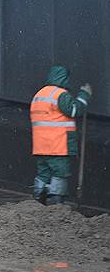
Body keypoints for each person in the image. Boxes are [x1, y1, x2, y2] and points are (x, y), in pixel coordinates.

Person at [30, 65, 91, 205]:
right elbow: (75, 110)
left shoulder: (39, 95)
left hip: (41, 146)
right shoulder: (59, 94)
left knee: (44, 173)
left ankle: (38, 199)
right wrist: (84, 95)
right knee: (60, 172)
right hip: (58, 145)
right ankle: (55, 203)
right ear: (64, 78)